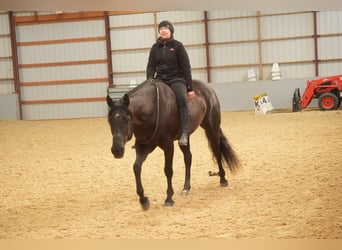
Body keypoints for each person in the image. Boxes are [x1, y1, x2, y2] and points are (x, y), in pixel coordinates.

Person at [146, 20, 196, 146]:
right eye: (161, 28)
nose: (163, 30)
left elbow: (186, 68)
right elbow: (151, 66)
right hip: (160, 78)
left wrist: (189, 88)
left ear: (171, 31)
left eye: (166, 28)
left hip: (176, 78)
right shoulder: (154, 48)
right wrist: (149, 80)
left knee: (181, 99)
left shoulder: (178, 46)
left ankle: (184, 132)